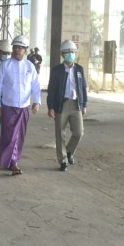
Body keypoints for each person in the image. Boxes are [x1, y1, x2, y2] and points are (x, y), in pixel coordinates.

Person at [0, 35, 40, 175]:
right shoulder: (5, 65)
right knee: (9, 136)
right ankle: (11, 162)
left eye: (20, 48)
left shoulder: (30, 66)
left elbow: (35, 86)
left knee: (19, 136)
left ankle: (13, 160)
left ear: (25, 50)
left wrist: (36, 101)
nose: (17, 50)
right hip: (8, 106)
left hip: (24, 107)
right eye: (15, 47)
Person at [47, 40, 88, 171]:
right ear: (63, 55)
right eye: (67, 52)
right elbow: (51, 90)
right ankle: (63, 161)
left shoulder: (79, 69)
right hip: (61, 105)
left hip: (76, 105)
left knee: (79, 132)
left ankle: (69, 151)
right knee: (60, 134)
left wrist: (84, 104)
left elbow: (83, 88)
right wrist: (50, 107)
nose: (70, 54)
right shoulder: (56, 71)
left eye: (72, 52)